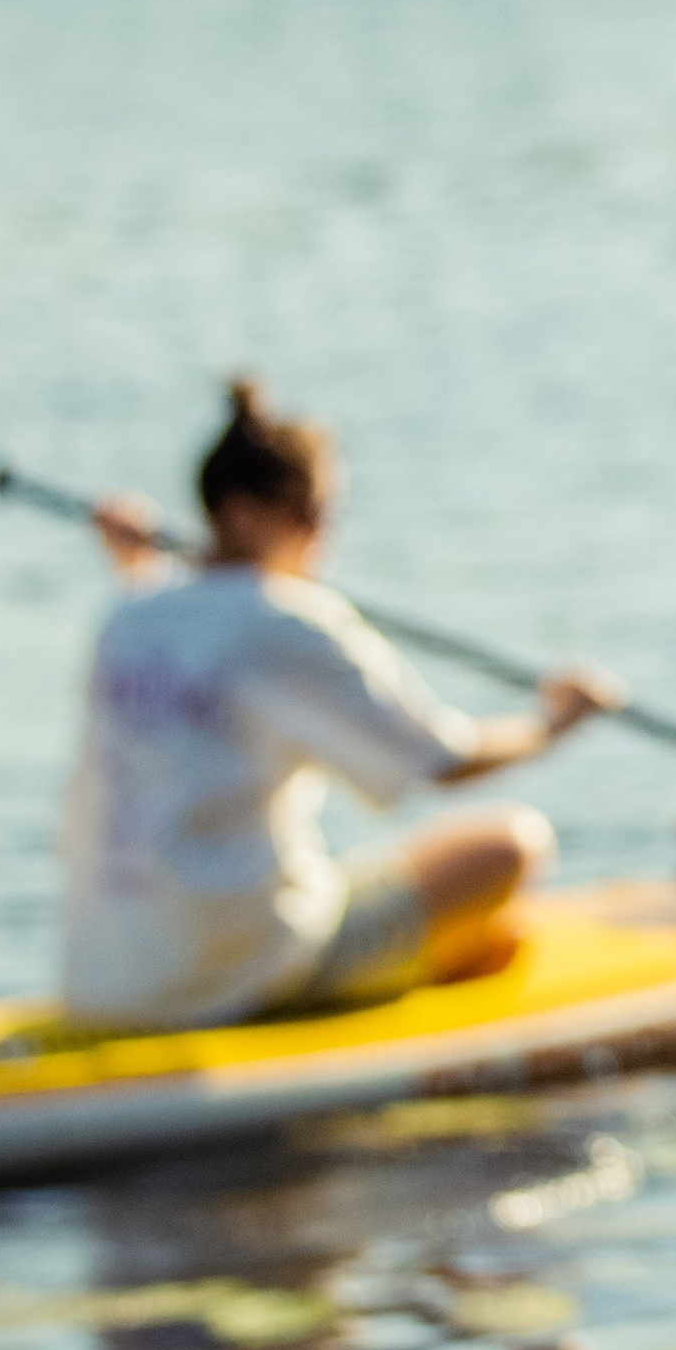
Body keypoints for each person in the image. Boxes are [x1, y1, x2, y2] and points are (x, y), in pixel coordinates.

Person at [61, 380, 618, 1033]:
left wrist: (133, 563)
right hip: (236, 973)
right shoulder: (291, 620)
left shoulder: (128, 613)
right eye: (312, 513)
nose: (323, 535)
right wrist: (552, 723)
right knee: (512, 846)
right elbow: (443, 762)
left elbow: (185, 626)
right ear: (242, 513)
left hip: (100, 979)